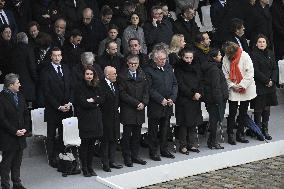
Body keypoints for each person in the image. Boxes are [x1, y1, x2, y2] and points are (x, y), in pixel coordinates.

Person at [41, 47, 73, 168]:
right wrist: (58, 106)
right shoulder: (46, 71)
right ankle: (52, 158)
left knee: (63, 133)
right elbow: (47, 92)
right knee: (51, 135)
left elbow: (71, 87)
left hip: (66, 108)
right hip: (53, 109)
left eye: (59, 55)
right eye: (55, 55)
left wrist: (69, 102)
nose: (57, 58)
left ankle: (61, 155)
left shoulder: (66, 68)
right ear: (51, 56)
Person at [144, 46, 178, 161]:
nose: (163, 61)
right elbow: (149, 88)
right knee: (153, 130)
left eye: (164, 58)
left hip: (168, 104)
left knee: (165, 128)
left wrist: (172, 98)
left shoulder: (168, 67)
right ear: (154, 59)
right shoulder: (148, 70)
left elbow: (174, 84)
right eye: (160, 59)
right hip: (155, 105)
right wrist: (160, 99)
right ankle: (153, 151)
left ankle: (164, 149)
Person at [222, 41, 257, 145]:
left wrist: (241, 85)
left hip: (245, 88)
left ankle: (240, 133)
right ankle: (230, 134)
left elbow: (250, 73)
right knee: (232, 113)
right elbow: (225, 75)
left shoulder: (245, 56)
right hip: (234, 88)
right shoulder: (225, 58)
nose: (229, 57)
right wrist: (233, 86)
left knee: (243, 112)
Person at [119, 54, 149, 167]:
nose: (133, 66)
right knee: (126, 136)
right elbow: (123, 94)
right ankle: (127, 157)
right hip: (128, 110)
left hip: (140, 110)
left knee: (137, 135)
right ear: (127, 63)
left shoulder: (142, 74)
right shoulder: (122, 76)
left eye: (135, 64)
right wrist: (137, 103)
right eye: (131, 64)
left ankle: (135, 156)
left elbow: (146, 91)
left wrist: (144, 103)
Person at [74, 66, 104, 177]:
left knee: (92, 145)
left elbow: (102, 98)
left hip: (95, 118)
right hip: (84, 119)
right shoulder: (79, 86)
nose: (89, 76)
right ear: (84, 74)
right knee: (85, 144)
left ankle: (90, 167)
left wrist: (92, 100)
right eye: (87, 74)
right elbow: (82, 102)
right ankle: (85, 168)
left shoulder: (96, 85)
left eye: (91, 74)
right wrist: (94, 102)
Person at [0, 73, 29, 189]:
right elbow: (2, 119)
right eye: (18, 83)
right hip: (8, 136)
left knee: (18, 161)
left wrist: (25, 128)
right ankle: (5, 185)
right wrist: (14, 131)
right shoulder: (1, 98)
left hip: (21, 134)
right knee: (6, 163)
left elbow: (26, 114)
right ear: (10, 85)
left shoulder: (20, 96)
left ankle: (16, 182)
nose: (20, 85)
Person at [175, 48, 203, 155]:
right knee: (183, 123)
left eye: (191, 57)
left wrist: (199, 92)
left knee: (193, 122)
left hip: (195, 98)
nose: (189, 60)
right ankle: (183, 145)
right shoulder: (178, 68)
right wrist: (192, 94)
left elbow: (200, 80)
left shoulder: (196, 66)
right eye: (186, 57)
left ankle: (192, 144)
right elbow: (180, 84)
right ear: (182, 57)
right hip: (184, 99)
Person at [251, 35, 278, 140]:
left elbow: (275, 68)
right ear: (256, 44)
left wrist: (273, 80)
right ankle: (257, 130)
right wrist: (266, 81)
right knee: (259, 108)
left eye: (263, 42)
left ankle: (265, 130)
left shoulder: (271, 53)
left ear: (266, 43)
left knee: (267, 108)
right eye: (259, 42)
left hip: (270, 86)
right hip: (260, 85)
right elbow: (256, 71)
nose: (262, 43)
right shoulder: (253, 55)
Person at [202, 48, 228, 149]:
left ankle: (212, 141)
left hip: (211, 99)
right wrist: (218, 101)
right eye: (219, 55)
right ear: (214, 57)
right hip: (215, 100)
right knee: (215, 122)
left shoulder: (211, 67)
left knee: (214, 121)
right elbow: (216, 87)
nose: (221, 56)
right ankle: (213, 142)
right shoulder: (214, 69)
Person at [100, 66, 123, 172]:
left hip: (115, 116)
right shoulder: (101, 85)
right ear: (107, 75)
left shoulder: (114, 84)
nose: (116, 75)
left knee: (114, 139)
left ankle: (112, 161)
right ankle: (105, 163)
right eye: (114, 74)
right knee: (106, 141)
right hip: (105, 117)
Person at [10, 32, 38, 106]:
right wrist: (36, 79)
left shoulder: (12, 50)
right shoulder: (29, 49)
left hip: (15, 85)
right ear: (26, 39)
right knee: (30, 110)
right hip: (28, 86)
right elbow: (32, 67)